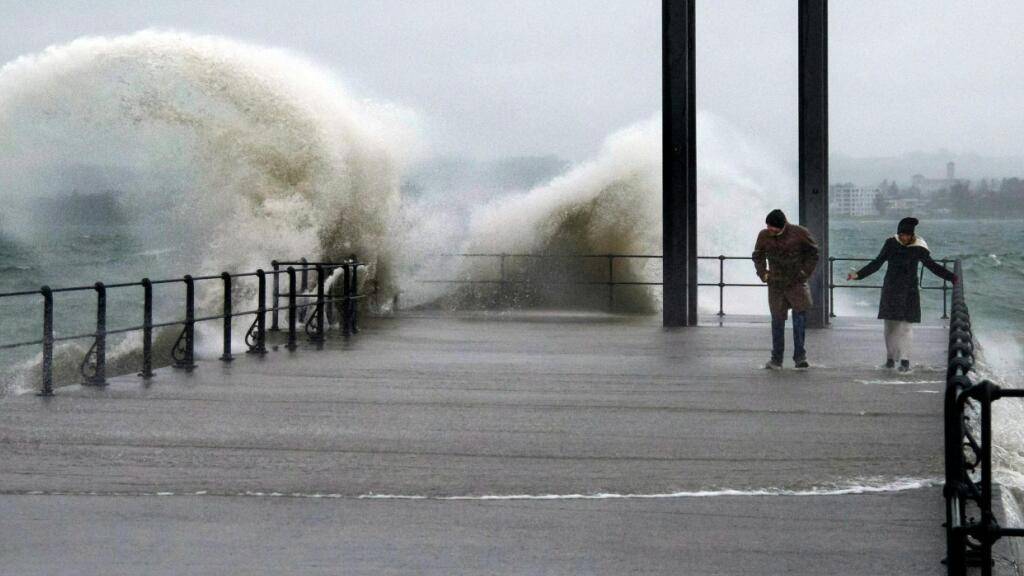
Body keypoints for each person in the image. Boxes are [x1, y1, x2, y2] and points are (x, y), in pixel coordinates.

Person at [847, 217, 957, 372]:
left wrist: (951, 277)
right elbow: (877, 263)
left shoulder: (919, 247)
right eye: (902, 234)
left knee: (906, 327)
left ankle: (905, 361)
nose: (904, 237)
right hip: (891, 289)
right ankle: (890, 359)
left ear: (912, 235)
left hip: (909, 290)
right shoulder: (891, 243)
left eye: (907, 235)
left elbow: (932, 266)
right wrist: (858, 275)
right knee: (890, 326)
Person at [752, 209, 820, 370]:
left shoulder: (800, 233)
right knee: (777, 321)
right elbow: (757, 255)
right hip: (775, 283)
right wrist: (764, 274)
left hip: (796, 282)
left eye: (772, 227)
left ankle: (800, 357)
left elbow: (813, 252)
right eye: (768, 226)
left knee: (799, 320)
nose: (769, 230)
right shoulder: (763, 235)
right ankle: (776, 359)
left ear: (781, 226)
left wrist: (804, 273)